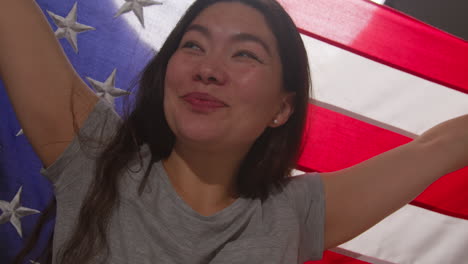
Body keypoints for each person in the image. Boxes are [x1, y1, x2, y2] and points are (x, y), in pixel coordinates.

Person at [1, 0, 467, 263]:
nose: (208, 68)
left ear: (282, 108)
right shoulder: (97, 155)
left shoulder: (295, 213)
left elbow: (444, 144)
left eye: (244, 54)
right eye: (193, 46)